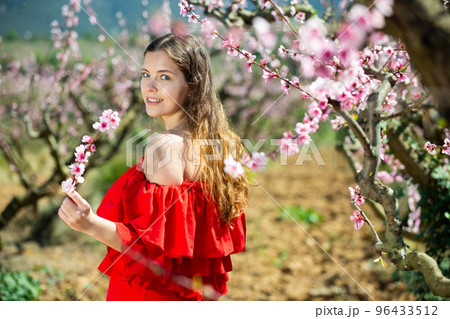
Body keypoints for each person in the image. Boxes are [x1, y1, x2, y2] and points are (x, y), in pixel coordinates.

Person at [58, 33, 249, 301]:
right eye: (145, 74)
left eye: (164, 77)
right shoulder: (221, 145)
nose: (149, 86)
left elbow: (150, 248)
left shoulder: (165, 147)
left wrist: (88, 223)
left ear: (192, 85)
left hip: (150, 294)